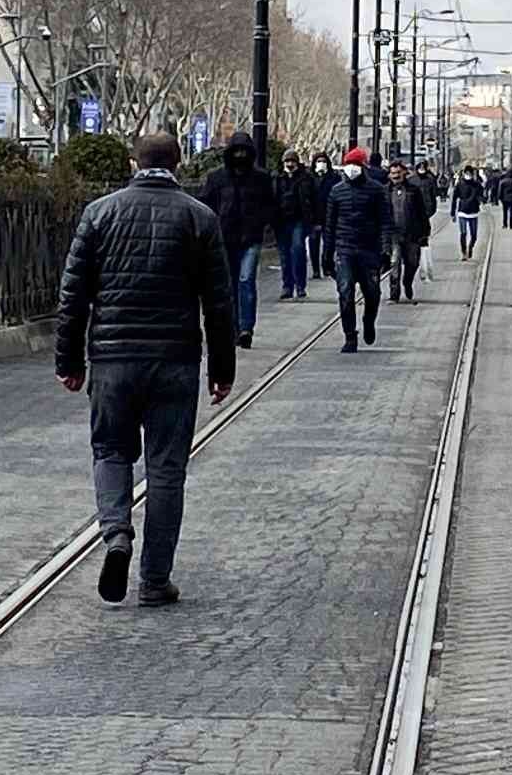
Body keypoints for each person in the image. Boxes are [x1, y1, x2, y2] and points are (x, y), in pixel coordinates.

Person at [55, 133, 236, 607]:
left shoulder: (99, 213)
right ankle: (154, 579)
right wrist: (222, 369)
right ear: (179, 163)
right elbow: (219, 304)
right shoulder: (200, 218)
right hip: (175, 361)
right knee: (166, 470)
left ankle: (116, 533)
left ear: (134, 162)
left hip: (112, 360)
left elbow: (73, 297)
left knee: (111, 452)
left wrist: (69, 361)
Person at [197, 131, 275, 349]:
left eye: (244, 151)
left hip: (251, 237)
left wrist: (262, 223)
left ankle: (246, 328)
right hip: (225, 238)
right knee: (229, 285)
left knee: (246, 281)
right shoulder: (217, 178)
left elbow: (270, 204)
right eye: (236, 151)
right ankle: (232, 327)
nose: (240, 155)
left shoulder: (261, 178)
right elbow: (206, 204)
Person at [324, 146, 388, 353]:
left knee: (372, 293)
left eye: (356, 165)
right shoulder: (336, 191)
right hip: (345, 249)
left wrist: (385, 250)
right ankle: (350, 336)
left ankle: (369, 322)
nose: (352, 168)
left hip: (369, 250)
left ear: (363, 167)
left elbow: (385, 222)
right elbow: (330, 225)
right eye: (349, 165)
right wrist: (326, 255)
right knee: (345, 292)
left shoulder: (376, 190)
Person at [273, 149, 319, 300]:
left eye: (292, 161)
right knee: (285, 255)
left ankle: (300, 285)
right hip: (281, 220)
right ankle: (287, 286)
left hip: (299, 219)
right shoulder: (277, 178)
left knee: (298, 250)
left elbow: (313, 198)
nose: (290, 164)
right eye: (287, 161)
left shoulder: (306, 178)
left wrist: (314, 220)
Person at [386, 159, 432, 303]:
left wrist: (425, 232)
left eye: (398, 172)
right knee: (394, 263)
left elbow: (422, 213)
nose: (395, 176)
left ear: (404, 173)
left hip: (412, 234)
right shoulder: (384, 191)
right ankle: (394, 294)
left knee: (412, 263)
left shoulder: (414, 190)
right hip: (393, 235)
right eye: (393, 173)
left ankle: (407, 282)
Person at [308, 153, 340, 279]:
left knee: (329, 244)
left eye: (323, 161)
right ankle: (316, 269)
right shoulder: (310, 178)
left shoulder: (334, 177)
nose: (321, 163)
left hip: (329, 216)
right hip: (314, 216)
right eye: (318, 161)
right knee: (314, 244)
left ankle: (326, 266)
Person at [411, 161, 440, 282]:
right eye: (420, 167)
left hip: (425, 215)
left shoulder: (430, 180)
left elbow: (434, 196)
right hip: (412, 215)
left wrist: (430, 211)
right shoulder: (411, 180)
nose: (422, 169)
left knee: (423, 241)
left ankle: (425, 269)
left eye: (424, 167)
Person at [451, 165, 485, 260]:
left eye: (470, 173)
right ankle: (464, 252)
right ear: (464, 173)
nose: (468, 175)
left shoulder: (477, 184)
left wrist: (481, 199)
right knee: (463, 233)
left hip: (474, 211)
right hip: (462, 211)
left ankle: (470, 247)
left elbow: (482, 195)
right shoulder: (459, 184)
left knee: (474, 235)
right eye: (467, 173)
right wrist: (452, 213)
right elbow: (454, 199)